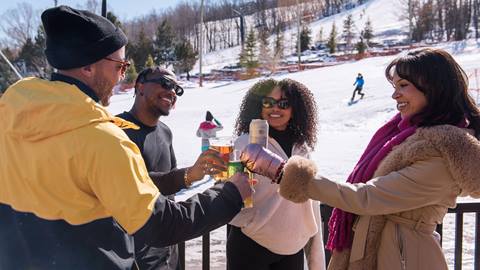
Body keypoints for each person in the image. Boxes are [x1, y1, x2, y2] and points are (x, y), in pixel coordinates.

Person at [0, 6, 251, 269]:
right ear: (87, 67)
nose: (122, 77)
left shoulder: (8, 117)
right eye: (120, 66)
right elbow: (159, 224)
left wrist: (187, 175)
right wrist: (231, 194)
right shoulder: (101, 138)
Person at [240, 48, 480, 270]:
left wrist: (280, 171)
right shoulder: (404, 136)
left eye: (403, 85)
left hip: (405, 260)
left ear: (433, 87)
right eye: (394, 85)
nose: (395, 94)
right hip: (381, 252)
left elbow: (367, 197)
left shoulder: (444, 151)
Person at [117, 67, 227, 270]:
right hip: (134, 257)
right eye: (166, 83)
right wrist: (189, 174)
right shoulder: (118, 131)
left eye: (177, 89)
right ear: (140, 86)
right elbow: (137, 185)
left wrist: (196, 173)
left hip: (168, 251)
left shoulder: (165, 132)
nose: (173, 92)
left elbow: (171, 188)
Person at [227, 78, 325, 270]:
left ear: (295, 108)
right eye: (268, 103)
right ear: (258, 106)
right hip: (250, 244)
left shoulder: (302, 147)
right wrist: (248, 221)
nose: (275, 109)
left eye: (284, 104)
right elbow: (230, 189)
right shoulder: (244, 142)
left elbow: (310, 200)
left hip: (292, 247)